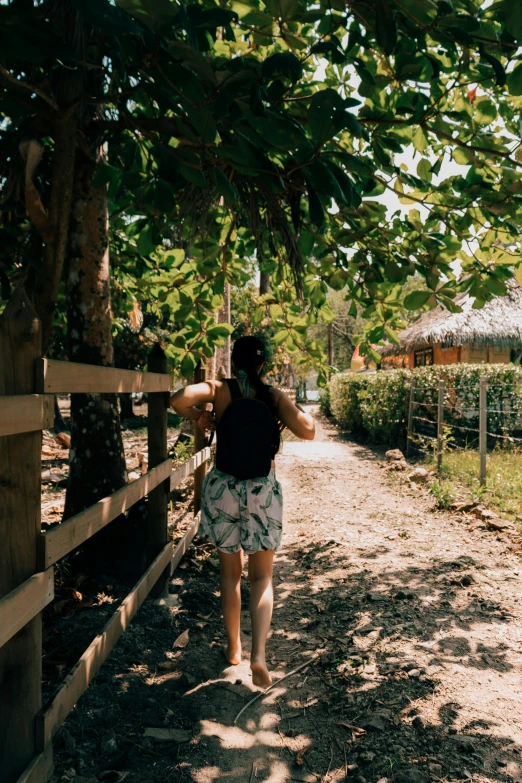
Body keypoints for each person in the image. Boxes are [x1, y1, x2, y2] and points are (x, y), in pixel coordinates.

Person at [170, 336, 315, 687]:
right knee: (262, 577)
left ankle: (233, 649)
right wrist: (294, 407)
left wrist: (202, 415)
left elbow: (177, 399)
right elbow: (309, 431)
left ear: (235, 361)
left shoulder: (219, 387)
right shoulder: (273, 395)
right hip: (262, 489)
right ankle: (259, 656)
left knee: (230, 574)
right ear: (263, 364)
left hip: (223, 488)